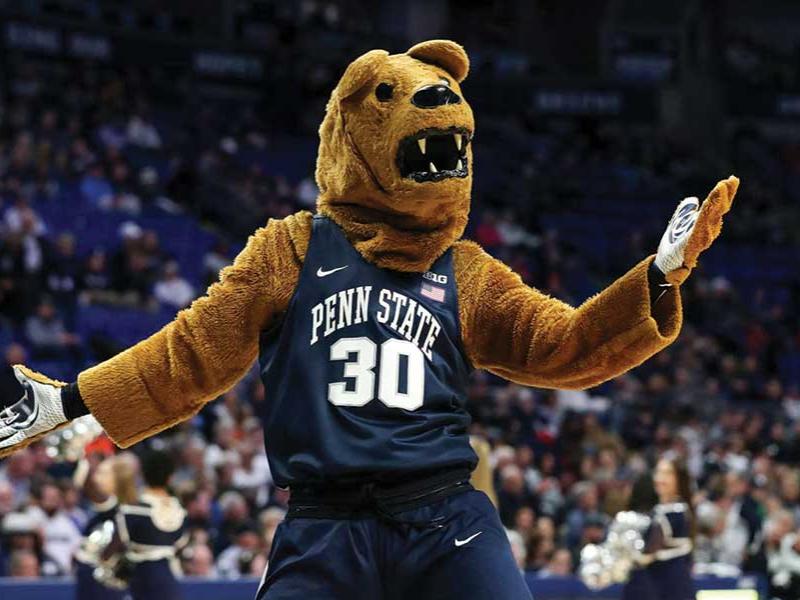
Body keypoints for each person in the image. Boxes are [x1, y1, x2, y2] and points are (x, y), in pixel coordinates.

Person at [1, 40, 739, 600]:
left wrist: (659, 275)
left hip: (445, 516)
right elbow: (191, 354)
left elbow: (566, 346)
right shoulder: (289, 248)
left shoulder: (467, 269)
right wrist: (70, 401)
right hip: (324, 524)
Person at [99, 450, 187, 600]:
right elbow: (180, 545)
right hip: (169, 577)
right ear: (170, 477)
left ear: (143, 475)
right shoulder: (179, 510)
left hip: (141, 577)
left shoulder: (132, 509)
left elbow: (115, 546)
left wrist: (102, 560)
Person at [625, 458, 695, 600]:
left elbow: (649, 552)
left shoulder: (676, 511)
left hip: (670, 587)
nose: (660, 478)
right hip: (658, 585)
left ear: (679, 479)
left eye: (668, 473)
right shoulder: (659, 510)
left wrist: (626, 557)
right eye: (658, 472)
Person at [74, 452, 139, 600]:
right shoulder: (109, 504)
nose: (97, 478)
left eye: (103, 473)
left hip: (110, 576)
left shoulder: (129, 507)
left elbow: (121, 536)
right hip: (92, 573)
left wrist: (105, 558)